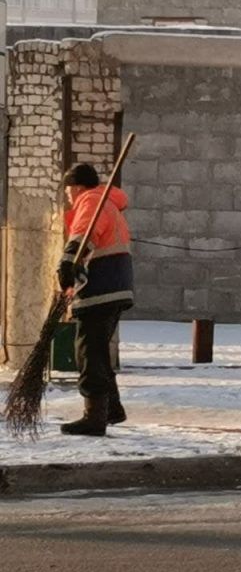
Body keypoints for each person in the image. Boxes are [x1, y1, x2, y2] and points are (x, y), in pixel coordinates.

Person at [57, 163, 134, 436]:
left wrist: (66, 264)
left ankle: (94, 418)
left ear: (77, 187)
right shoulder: (107, 203)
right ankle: (111, 409)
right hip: (113, 287)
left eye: (67, 190)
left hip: (102, 289)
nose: (67, 196)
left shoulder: (91, 201)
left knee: (89, 353)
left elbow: (84, 234)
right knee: (99, 353)